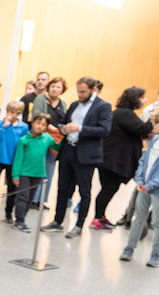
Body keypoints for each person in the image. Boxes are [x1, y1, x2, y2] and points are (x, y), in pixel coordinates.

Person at [40, 76, 114, 239]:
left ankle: (79, 225)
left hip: (86, 154)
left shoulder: (103, 106)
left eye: (83, 92)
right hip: (68, 150)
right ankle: (57, 221)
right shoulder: (74, 105)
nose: (80, 94)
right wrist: (64, 129)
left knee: (84, 190)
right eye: (78, 91)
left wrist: (80, 128)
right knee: (62, 188)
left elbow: (105, 130)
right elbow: (64, 123)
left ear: (93, 90)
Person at [91, 86, 152, 230]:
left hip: (111, 160)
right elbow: (142, 129)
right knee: (108, 189)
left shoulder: (124, 113)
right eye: (142, 97)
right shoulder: (125, 113)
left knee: (109, 188)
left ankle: (100, 216)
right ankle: (97, 219)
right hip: (111, 160)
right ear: (134, 99)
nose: (145, 100)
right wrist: (153, 116)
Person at [120, 110, 159, 267]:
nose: (153, 125)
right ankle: (129, 248)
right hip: (144, 187)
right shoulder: (154, 140)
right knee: (138, 218)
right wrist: (140, 180)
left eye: (156, 123)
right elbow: (143, 161)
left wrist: (150, 186)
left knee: (158, 221)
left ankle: (156, 254)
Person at [10, 114, 61, 232]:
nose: (39, 126)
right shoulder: (24, 140)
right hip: (24, 173)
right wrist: (15, 175)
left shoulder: (47, 138)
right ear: (32, 123)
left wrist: (61, 134)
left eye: (43, 125)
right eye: (38, 123)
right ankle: (19, 220)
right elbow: (18, 159)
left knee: (30, 198)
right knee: (23, 197)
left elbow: (56, 148)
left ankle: (21, 218)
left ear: (46, 127)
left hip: (38, 174)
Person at [30, 76, 67, 208]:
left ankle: (42, 199)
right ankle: (32, 198)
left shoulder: (63, 103)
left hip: (55, 139)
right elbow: (37, 116)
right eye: (53, 86)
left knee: (50, 169)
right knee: (37, 166)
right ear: (49, 87)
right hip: (40, 137)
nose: (55, 89)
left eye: (58, 87)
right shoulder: (41, 99)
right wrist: (51, 128)